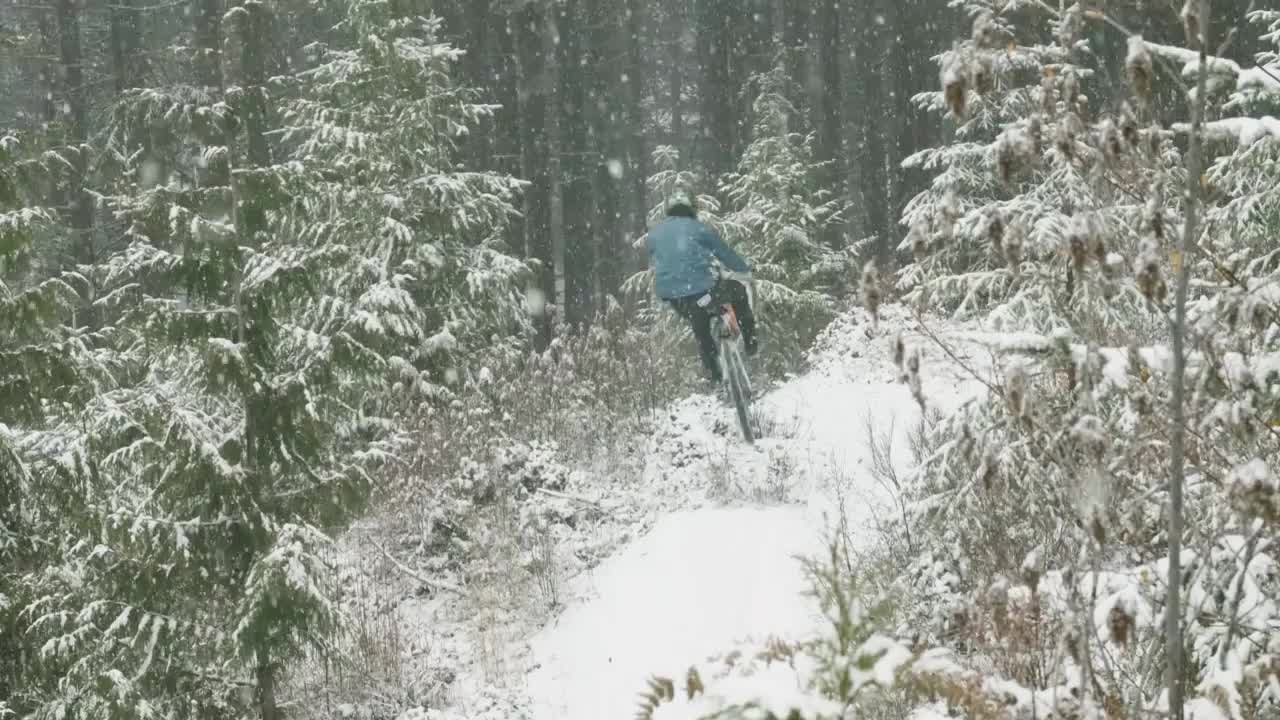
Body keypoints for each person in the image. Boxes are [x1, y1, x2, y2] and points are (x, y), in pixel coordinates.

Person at [646, 190, 758, 384]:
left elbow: (657, 253)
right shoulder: (697, 228)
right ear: (691, 209)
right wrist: (745, 269)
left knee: (699, 324)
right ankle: (750, 341)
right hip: (702, 290)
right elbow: (724, 252)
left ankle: (714, 372)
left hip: (674, 297)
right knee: (737, 292)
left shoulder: (655, 234)